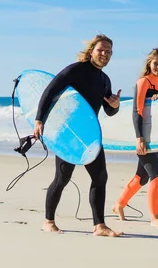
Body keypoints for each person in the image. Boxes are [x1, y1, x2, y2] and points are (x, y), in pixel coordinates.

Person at [33, 34, 124, 237]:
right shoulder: (76, 70)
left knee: (100, 176)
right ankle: (48, 221)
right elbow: (50, 90)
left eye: (108, 51)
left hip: (90, 135)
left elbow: (108, 111)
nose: (105, 54)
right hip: (69, 132)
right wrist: (39, 119)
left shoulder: (104, 80)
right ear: (92, 50)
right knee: (63, 177)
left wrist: (115, 105)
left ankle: (99, 225)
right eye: (101, 49)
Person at [112, 47, 158, 228]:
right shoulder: (143, 82)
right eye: (156, 63)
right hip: (143, 136)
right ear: (149, 63)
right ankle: (154, 217)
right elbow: (137, 111)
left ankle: (118, 205)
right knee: (157, 175)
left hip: (157, 138)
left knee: (142, 176)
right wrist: (139, 137)